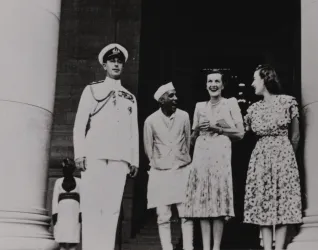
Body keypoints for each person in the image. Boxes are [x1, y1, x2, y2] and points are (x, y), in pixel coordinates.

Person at [73, 43, 139, 250]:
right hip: (95, 154)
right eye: (112, 61)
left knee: (112, 209)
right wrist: (79, 154)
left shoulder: (130, 97)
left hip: (120, 157)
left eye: (119, 62)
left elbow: (133, 130)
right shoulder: (92, 89)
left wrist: (134, 159)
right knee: (92, 206)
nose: (116, 65)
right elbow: (80, 124)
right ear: (104, 65)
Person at [184, 69, 244, 250]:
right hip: (202, 156)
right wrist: (196, 131)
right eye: (210, 81)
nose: (213, 85)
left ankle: (216, 247)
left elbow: (240, 133)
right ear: (206, 85)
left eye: (217, 81)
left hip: (220, 155)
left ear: (223, 85)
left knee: (218, 199)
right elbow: (192, 139)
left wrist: (217, 129)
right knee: (203, 200)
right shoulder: (199, 106)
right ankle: (205, 247)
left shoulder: (230, 103)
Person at [243, 64, 302, 250]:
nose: (252, 84)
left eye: (255, 79)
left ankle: (279, 247)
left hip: (283, 155)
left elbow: (295, 135)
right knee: (263, 201)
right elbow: (241, 132)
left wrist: (287, 156)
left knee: (283, 201)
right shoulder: (253, 109)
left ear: (265, 79)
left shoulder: (288, 102)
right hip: (261, 156)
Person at [143, 82, 194, 250]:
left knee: (186, 215)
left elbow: (187, 142)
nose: (175, 98)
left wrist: (181, 160)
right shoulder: (150, 121)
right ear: (161, 100)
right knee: (163, 216)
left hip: (181, 170)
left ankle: (188, 248)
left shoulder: (184, 116)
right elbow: (148, 149)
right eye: (171, 96)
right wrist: (160, 163)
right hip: (160, 173)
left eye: (175, 95)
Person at [52, 158, 81, 250]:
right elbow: (54, 199)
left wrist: (81, 212)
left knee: (73, 239)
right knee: (62, 240)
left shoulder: (80, 182)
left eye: (69, 168)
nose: (66, 170)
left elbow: (83, 199)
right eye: (64, 168)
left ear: (72, 169)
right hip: (62, 214)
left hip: (74, 213)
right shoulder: (58, 182)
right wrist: (54, 214)